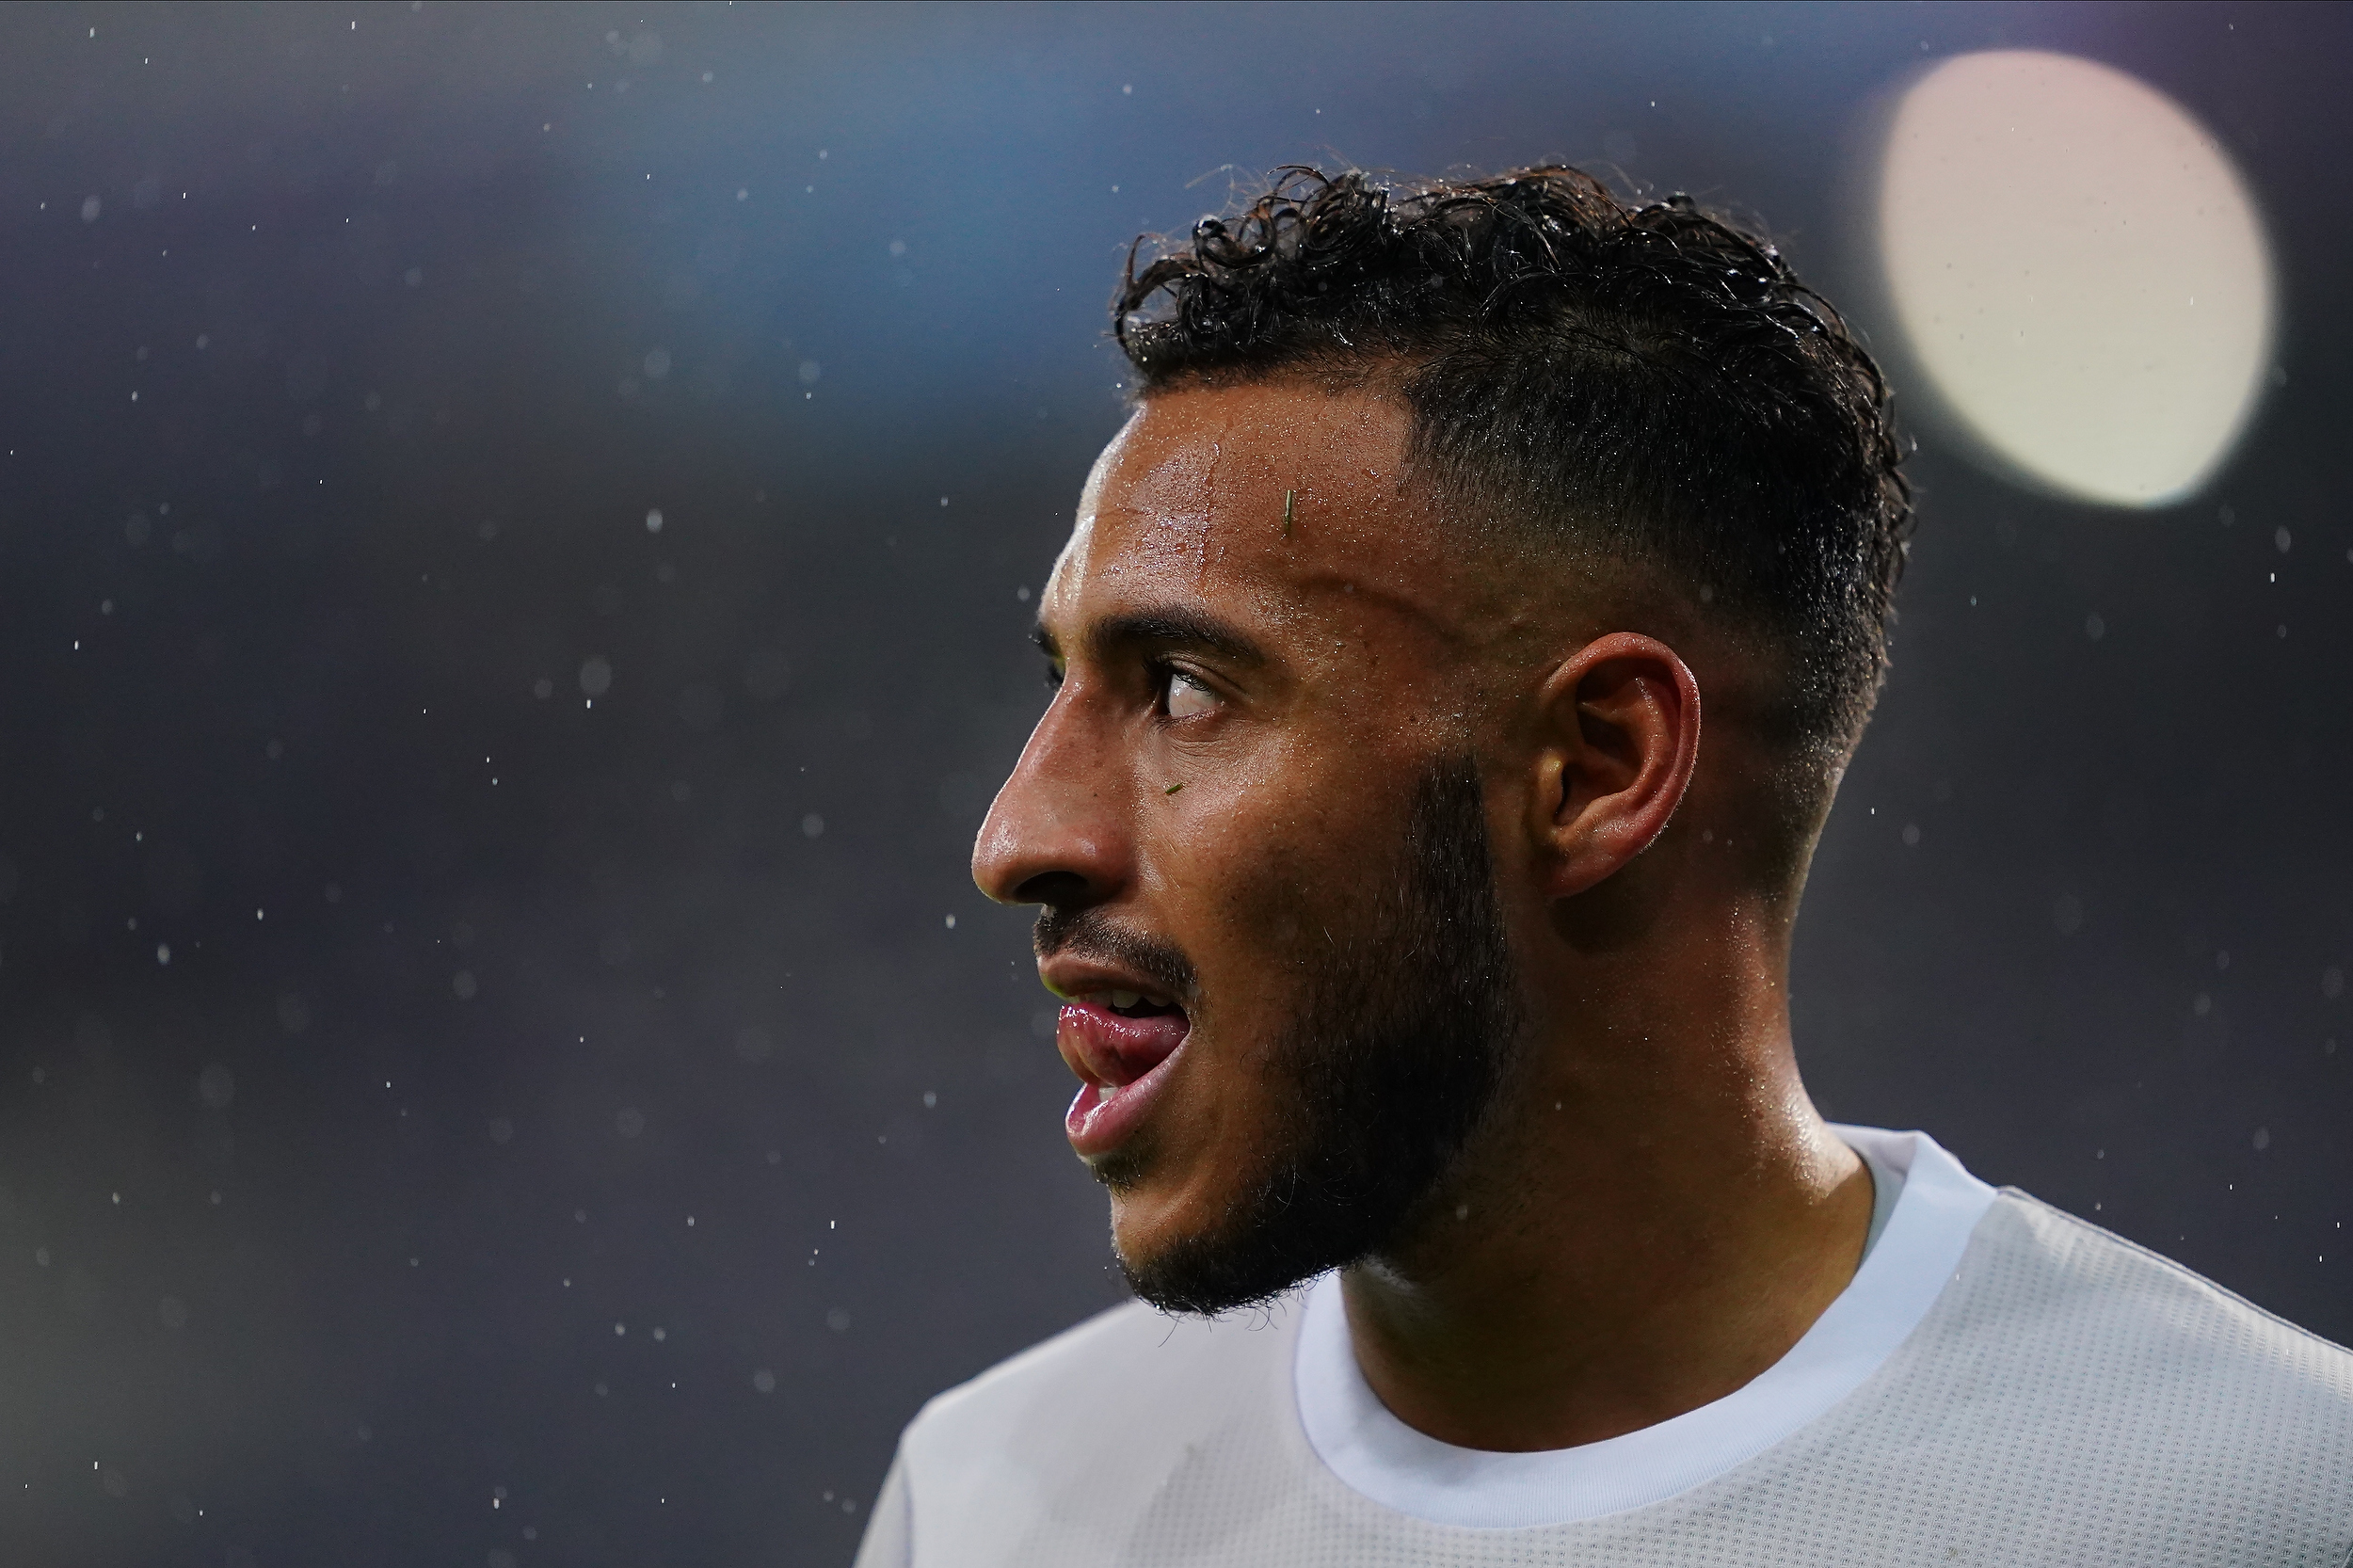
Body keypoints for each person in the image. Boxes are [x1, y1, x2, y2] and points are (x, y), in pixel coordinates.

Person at [853, 165, 2353, 1565]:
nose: (1018, 838)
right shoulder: (994, 1504)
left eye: (1184, 686)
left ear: (1599, 767)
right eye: (1063, 681)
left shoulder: (2259, 1502)